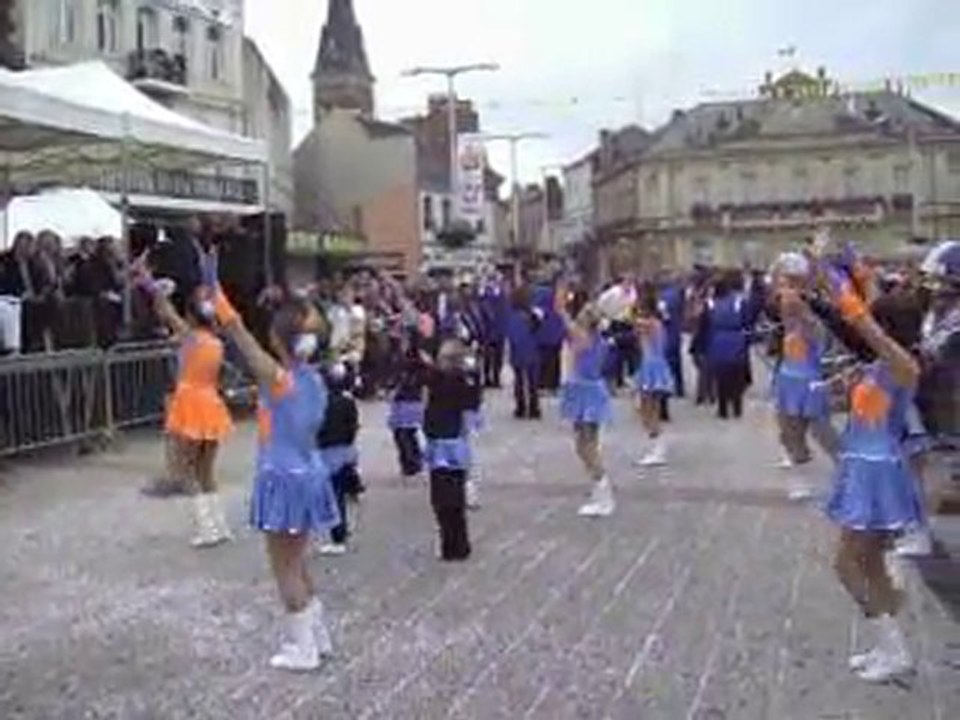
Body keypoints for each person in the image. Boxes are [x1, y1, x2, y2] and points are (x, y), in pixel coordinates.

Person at [208, 265, 340, 671]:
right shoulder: (314, 379)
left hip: (283, 476)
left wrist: (218, 296)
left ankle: (303, 648)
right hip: (309, 470)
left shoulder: (280, 379)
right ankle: (317, 636)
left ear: (281, 340)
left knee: (284, 566)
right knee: (299, 561)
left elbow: (241, 339)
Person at [819, 260, 924, 683]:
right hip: (862, 463)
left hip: (877, 470)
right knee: (870, 563)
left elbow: (868, 331)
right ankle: (888, 644)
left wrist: (839, 285)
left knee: (847, 565)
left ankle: (893, 646)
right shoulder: (882, 367)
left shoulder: (904, 364)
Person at [137, 266, 233, 547]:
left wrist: (150, 285)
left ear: (191, 316)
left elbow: (166, 313)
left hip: (191, 400)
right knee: (206, 470)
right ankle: (219, 524)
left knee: (188, 469)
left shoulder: (191, 338)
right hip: (210, 401)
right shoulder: (216, 342)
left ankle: (207, 528)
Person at [770, 253, 832, 500]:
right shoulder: (796, 299)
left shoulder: (798, 301)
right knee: (791, 430)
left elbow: (818, 334)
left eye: (786, 278)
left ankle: (839, 473)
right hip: (793, 369)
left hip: (803, 372)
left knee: (815, 429)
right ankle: (800, 477)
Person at [557, 290, 614, 517]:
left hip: (585, 390)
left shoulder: (583, 337)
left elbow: (564, 319)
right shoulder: (598, 339)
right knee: (585, 443)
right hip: (590, 388)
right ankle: (599, 489)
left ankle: (603, 492)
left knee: (587, 444)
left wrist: (561, 304)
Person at [422, 339, 478, 561]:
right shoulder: (466, 381)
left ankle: (449, 544)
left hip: (440, 442)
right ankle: (460, 543)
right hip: (457, 441)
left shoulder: (438, 381)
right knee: (455, 496)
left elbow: (427, 377)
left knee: (441, 497)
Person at [315, 362, 364, 556]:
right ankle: (340, 528)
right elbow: (353, 425)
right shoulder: (347, 400)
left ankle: (338, 535)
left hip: (326, 452)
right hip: (345, 449)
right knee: (339, 491)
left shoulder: (319, 402)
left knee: (333, 495)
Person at [633, 283, 676, 466]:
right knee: (650, 407)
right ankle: (657, 445)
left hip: (650, 365)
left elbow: (635, 329)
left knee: (647, 407)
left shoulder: (648, 324)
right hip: (655, 363)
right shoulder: (658, 323)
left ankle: (657, 446)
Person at [701, 272, 750, 420]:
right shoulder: (739, 302)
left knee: (721, 376)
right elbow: (746, 320)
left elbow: (704, 325)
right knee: (737, 374)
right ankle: (737, 407)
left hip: (717, 339)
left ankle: (722, 409)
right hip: (736, 338)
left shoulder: (710, 303)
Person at [506, 284, 542, 419]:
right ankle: (533, 407)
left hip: (518, 350)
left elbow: (511, 334)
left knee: (519, 379)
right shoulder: (532, 314)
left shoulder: (513, 315)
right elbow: (538, 330)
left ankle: (521, 407)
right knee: (533, 381)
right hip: (532, 349)